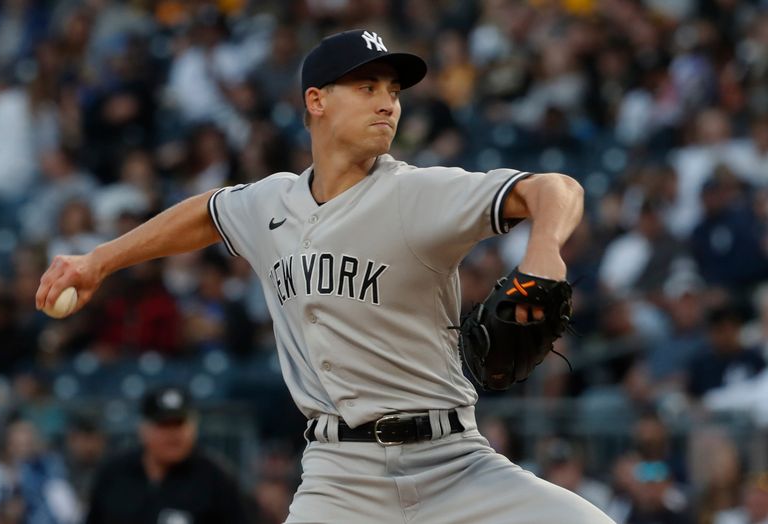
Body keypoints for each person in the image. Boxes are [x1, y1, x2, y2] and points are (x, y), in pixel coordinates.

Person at [37, 29, 613, 523]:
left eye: (392, 91)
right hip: (340, 478)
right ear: (316, 100)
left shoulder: (416, 193)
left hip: (454, 463)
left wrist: (543, 253)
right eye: (367, 89)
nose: (387, 104)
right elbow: (207, 212)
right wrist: (99, 260)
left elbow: (555, 189)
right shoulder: (271, 204)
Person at [84, 385, 255, 524]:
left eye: (179, 424)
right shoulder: (114, 472)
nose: (173, 435)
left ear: (193, 428)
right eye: (164, 425)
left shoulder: (216, 479)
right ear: (143, 430)